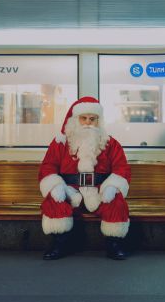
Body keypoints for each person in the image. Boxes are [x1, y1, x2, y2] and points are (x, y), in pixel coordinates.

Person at [38, 96, 131, 260]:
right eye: (84, 118)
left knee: (116, 201)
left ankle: (114, 244)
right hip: (70, 190)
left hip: (99, 190)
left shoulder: (111, 143)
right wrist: (56, 186)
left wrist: (112, 186)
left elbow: (121, 167)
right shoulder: (60, 143)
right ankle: (59, 243)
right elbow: (48, 166)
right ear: (75, 120)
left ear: (98, 121)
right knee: (55, 200)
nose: (88, 122)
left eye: (92, 119)